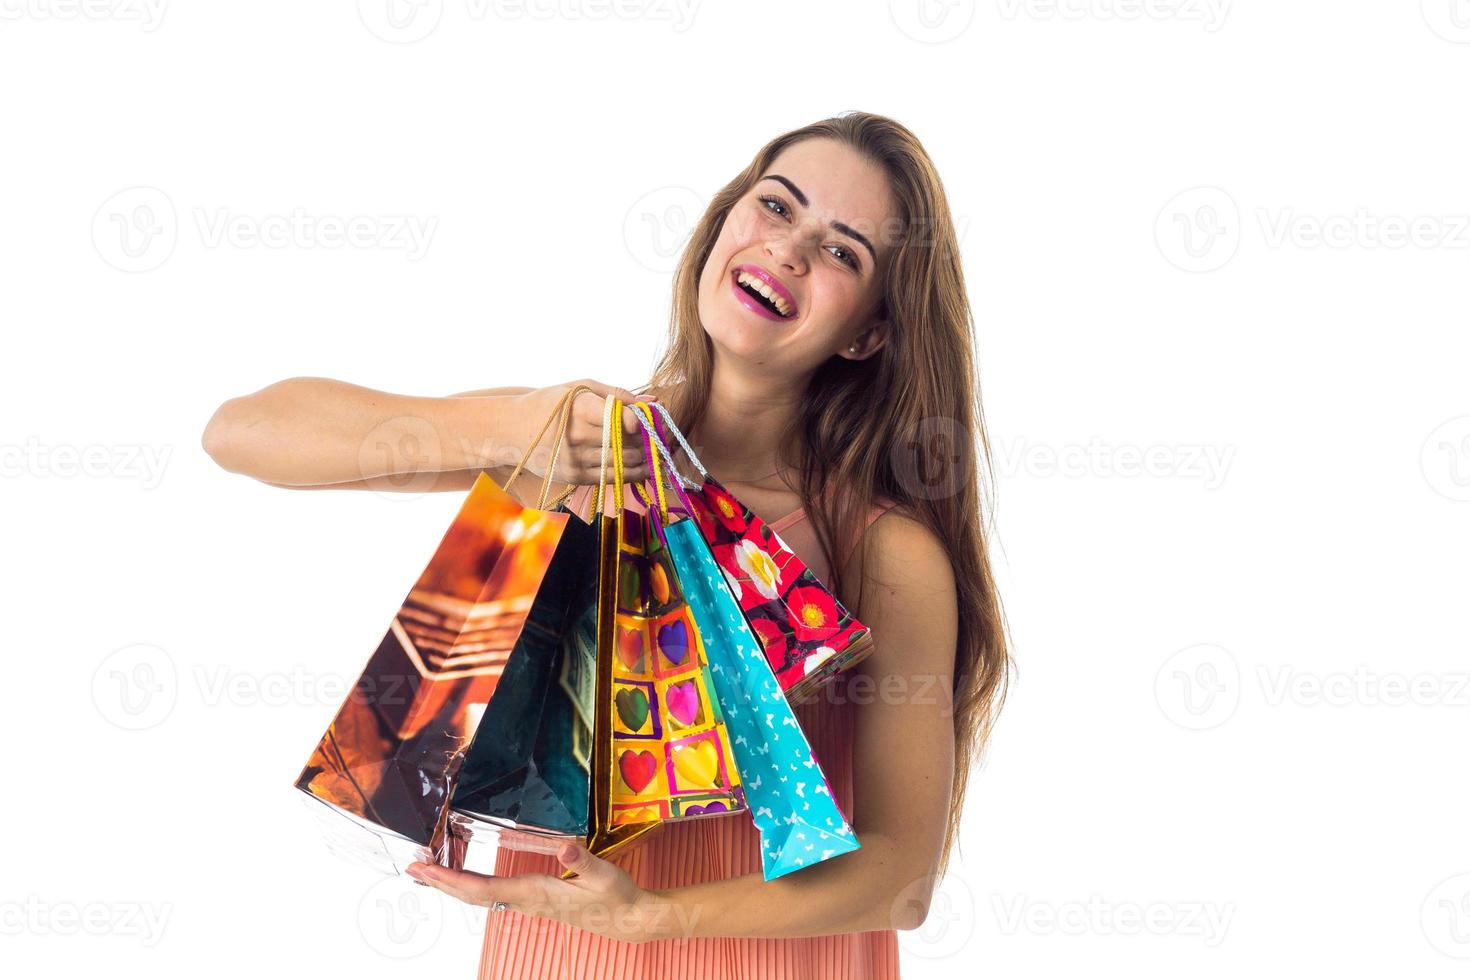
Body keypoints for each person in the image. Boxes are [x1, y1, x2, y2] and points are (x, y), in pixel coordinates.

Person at [202, 111, 1010, 979]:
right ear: (726, 219)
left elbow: (901, 877)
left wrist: (654, 919)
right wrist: (512, 428)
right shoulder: (570, 443)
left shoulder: (882, 550)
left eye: (843, 251)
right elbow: (240, 434)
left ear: (869, 334)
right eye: (776, 207)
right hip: (556, 957)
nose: (789, 250)